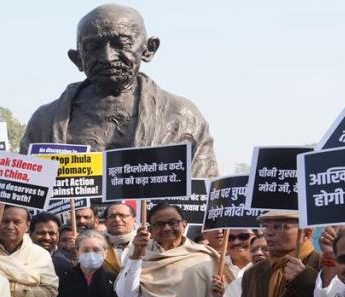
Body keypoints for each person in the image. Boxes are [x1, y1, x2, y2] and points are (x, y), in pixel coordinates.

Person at [20, 4, 217, 178]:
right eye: (93, 47)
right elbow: (25, 200)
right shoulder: (45, 122)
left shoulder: (183, 117)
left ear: (149, 49)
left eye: (121, 43)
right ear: (77, 58)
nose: (107, 57)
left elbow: (201, 197)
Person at [30, 211, 71, 277]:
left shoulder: (68, 261)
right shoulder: (20, 257)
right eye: (41, 233)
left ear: (58, 234)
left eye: (52, 233)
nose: (47, 238)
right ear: (30, 233)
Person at [103, 202, 137, 275]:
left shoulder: (147, 242)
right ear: (105, 222)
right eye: (112, 216)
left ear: (134, 220)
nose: (117, 219)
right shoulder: (97, 243)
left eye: (123, 216)